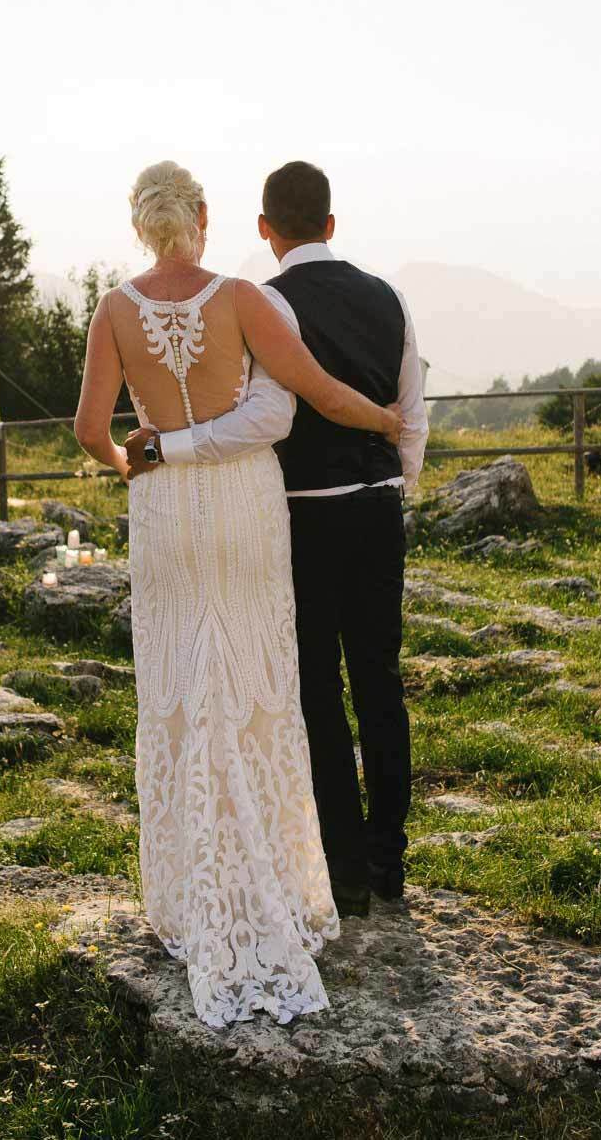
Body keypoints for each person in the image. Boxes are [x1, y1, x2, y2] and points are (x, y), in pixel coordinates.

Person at [73, 161, 404, 1028]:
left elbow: (87, 429)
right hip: (246, 501)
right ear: (206, 218)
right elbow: (316, 392)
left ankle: (193, 894)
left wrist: (133, 463)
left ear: (142, 225)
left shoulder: (115, 309)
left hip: (165, 511)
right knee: (257, 685)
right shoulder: (243, 300)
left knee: (184, 686)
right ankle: (276, 877)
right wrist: (383, 420)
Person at [130, 160, 428, 911]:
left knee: (316, 691)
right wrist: (398, 478)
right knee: (381, 680)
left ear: (265, 230)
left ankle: (347, 868)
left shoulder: (259, 301)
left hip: (297, 514)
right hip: (374, 505)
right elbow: (409, 404)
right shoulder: (388, 298)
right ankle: (392, 860)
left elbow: (263, 406)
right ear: (332, 223)